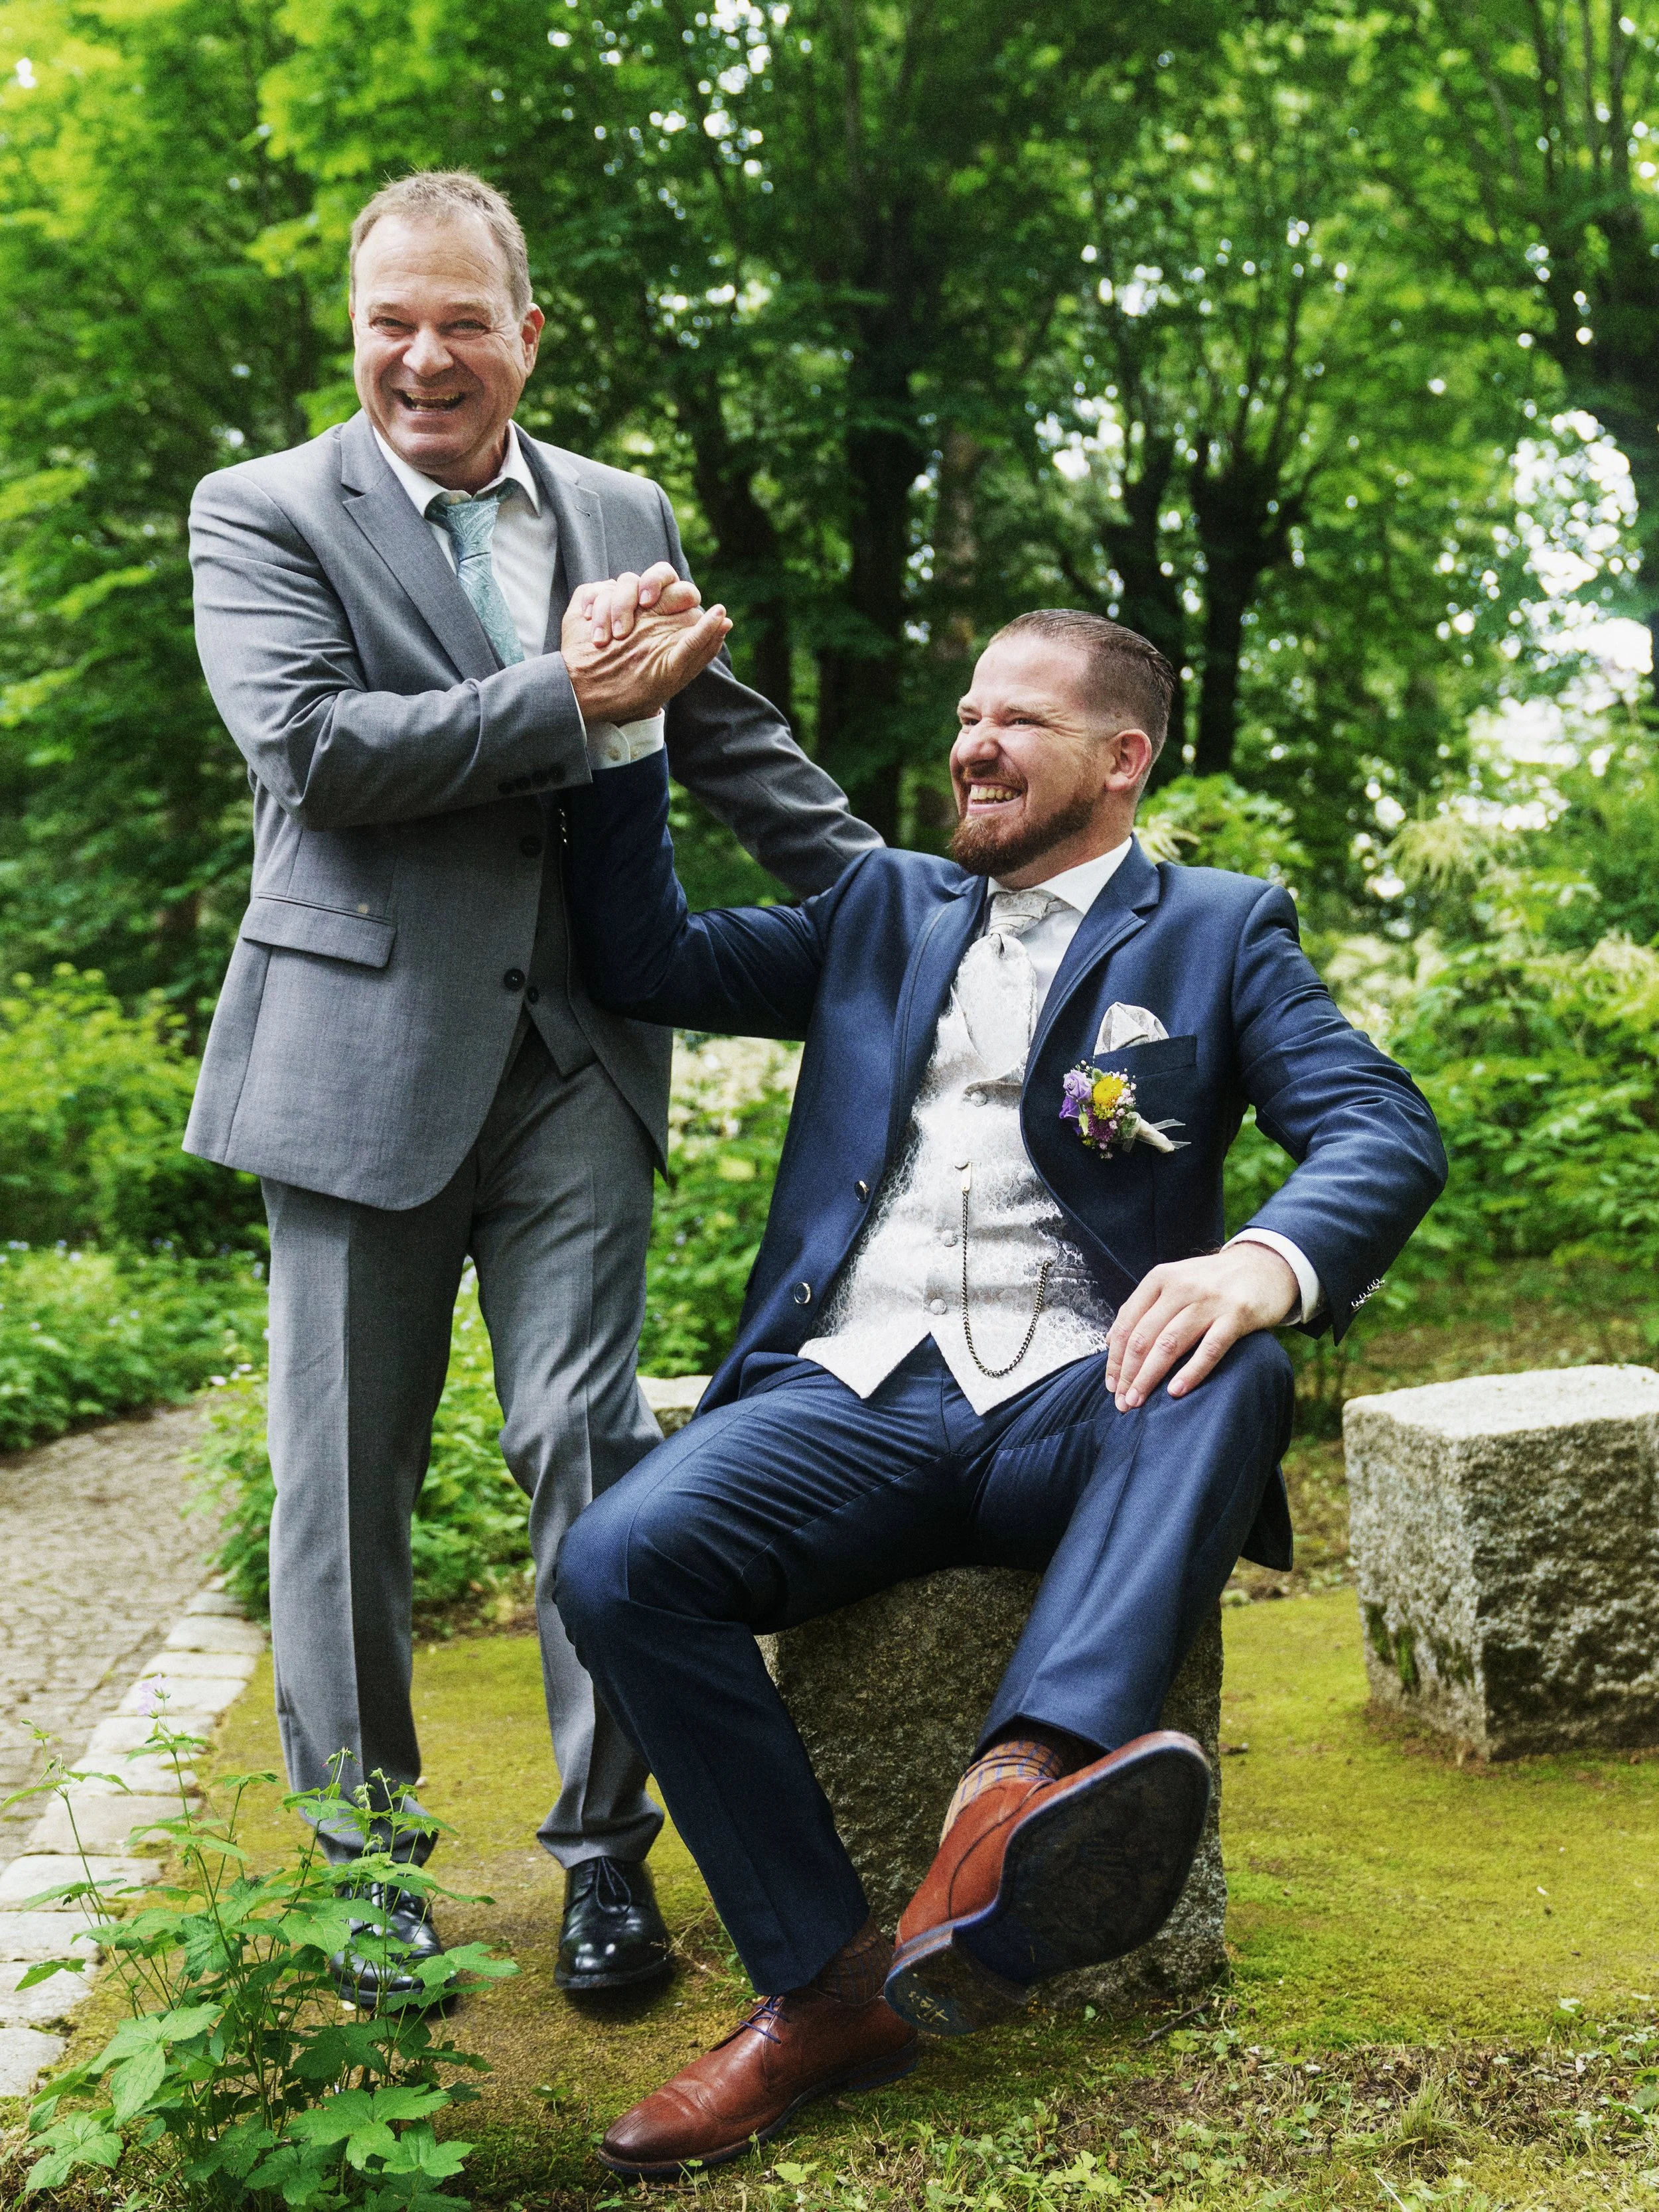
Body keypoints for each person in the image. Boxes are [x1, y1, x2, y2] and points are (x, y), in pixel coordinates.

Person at [553, 608, 1447, 2175]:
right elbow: (645, 956)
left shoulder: (1220, 927)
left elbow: (1379, 1126)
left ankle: (1012, 1794)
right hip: (852, 1389)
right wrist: (623, 730)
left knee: (1232, 1359)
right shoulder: (879, 906)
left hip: (1078, 1396)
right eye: (967, 715)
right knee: (618, 1559)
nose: (970, 741)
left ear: (1120, 759)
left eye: (1015, 720)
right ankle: (826, 1988)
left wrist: (1258, 1260)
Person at [184, 167, 879, 2005]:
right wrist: (570, 694)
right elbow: (320, 754)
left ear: (526, 331)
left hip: (579, 1045)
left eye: (458, 319)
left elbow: (720, 728)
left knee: (588, 1450)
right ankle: (366, 1873)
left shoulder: (621, 505)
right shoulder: (258, 513)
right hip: (355, 1058)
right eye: (387, 322)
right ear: (353, 333)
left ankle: (601, 1862)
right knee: (345, 1482)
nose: (422, 354)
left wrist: (919, 915)